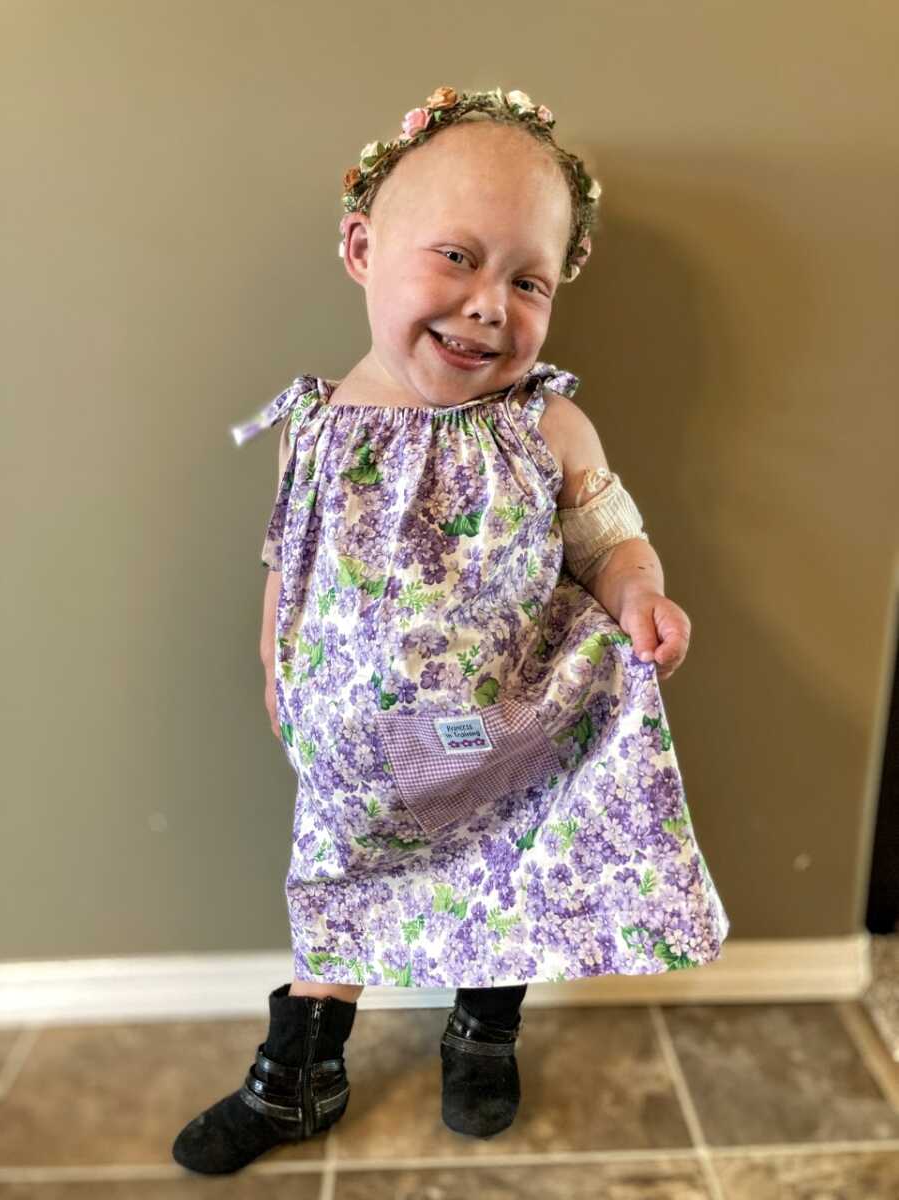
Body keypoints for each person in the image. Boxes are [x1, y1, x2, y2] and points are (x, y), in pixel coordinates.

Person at [172, 85, 729, 1175]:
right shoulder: (317, 433)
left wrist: (639, 596)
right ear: (361, 248)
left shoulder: (549, 424)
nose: (489, 307)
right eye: (457, 259)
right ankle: (298, 1076)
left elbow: (613, 540)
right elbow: (288, 571)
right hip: (359, 755)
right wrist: (274, 672)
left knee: (508, 877)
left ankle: (484, 1032)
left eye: (527, 281)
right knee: (336, 897)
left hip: (515, 730)